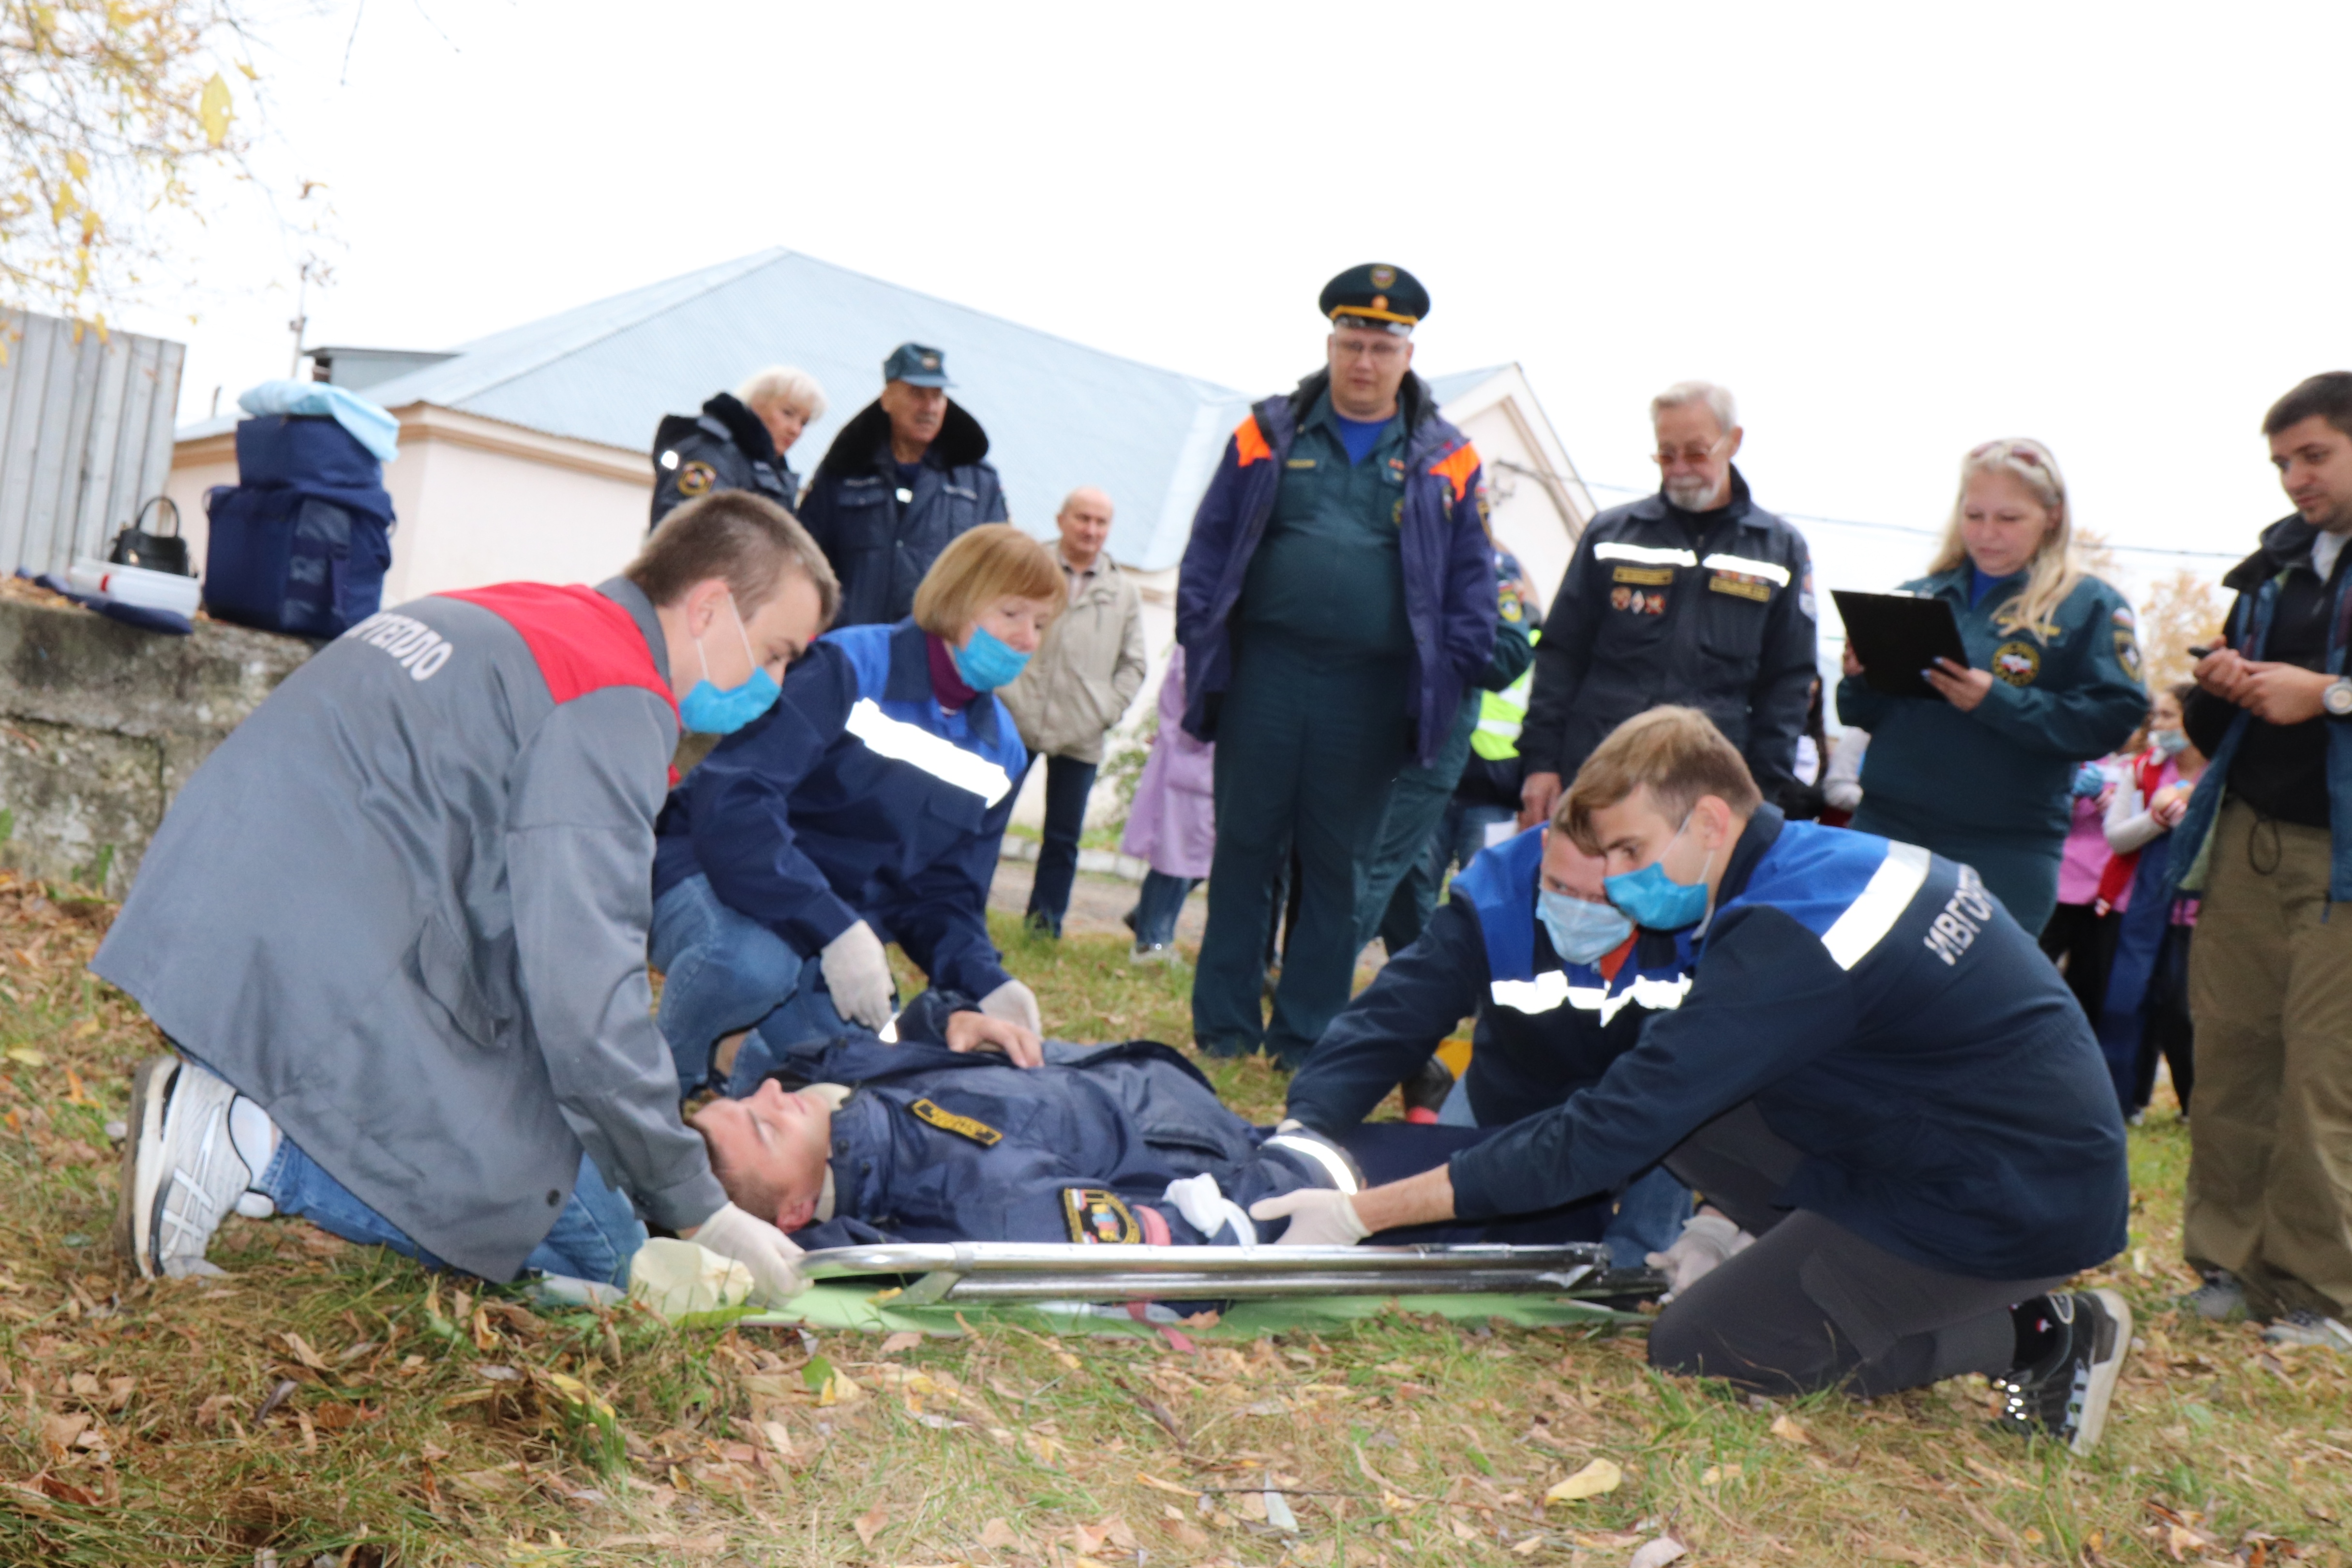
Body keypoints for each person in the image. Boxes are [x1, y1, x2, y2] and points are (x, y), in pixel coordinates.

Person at [1252, 708, 2134, 1452]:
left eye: (1633, 850)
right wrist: (1721, 1222)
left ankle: (2039, 1330)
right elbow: (1714, 1091)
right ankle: (1799, 1251)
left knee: (1707, 1343)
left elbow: (1607, 1132)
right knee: (1692, 1112)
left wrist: (1363, 1214)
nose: (1624, 885)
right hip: (1966, 1140)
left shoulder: (1786, 937)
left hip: (2008, 1198)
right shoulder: (1813, 869)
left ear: (1710, 822)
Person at [102, 493, 838, 1304]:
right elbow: (588, 1004)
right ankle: (251, 1145)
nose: (773, 686)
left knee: (532, 1114)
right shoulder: (613, 696)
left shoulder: (533, 615)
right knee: (594, 1251)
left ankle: (233, 1119)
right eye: (775, 652)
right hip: (315, 952)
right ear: (708, 608)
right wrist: (698, 1209)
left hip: (219, 920)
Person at [1175, 263, 1497, 1065]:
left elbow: (1471, 587)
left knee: (1339, 867)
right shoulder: (1267, 431)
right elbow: (1210, 547)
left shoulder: (1448, 457)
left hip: (1372, 696)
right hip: (1266, 678)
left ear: (1406, 354)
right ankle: (1222, 1026)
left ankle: (1305, 1034)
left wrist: (1450, 683)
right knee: (1244, 849)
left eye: (1381, 347)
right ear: (1331, 343)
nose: (1364, 361)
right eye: (1352, 343)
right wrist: (1198, 637)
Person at [690, 989, 1609, 1250]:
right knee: (1544, 1181)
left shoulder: (833, 1095)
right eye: (765, 1128)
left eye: (747, 1099)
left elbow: (875, 1044)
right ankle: (1619, 1200)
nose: (772, 1097)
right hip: (1270, 1176)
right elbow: (1139, 1244)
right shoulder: (951, 1179)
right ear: (797, 1210)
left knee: (1543, 1151)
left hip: (1193, 1108)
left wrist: (949, 1021)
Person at [649, 524, 1060, 1100]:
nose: (1026, 640)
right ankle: (659, 1091)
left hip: (830, 931)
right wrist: (832, 925)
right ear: (958, 597)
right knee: (750, 966)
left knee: (853, 1070)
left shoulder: (1002, 751)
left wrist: (988, 981)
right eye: (1012, 614)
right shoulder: (852, 665)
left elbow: (946, 895)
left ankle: (734, 1116)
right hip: (709, 871)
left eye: (1041, 625)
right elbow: (737, 801)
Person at [1284, 821, 1694, 1270]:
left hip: (1644, 1115)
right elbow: (1395, 1014)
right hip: (1506, 1093)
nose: (1578, 912)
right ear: (1544, 844)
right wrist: (1306, 1126)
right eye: (1558, 887)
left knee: (1676, 1123)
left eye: (1601, 899)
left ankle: (1637, 1270)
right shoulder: (1492, 898)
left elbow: (1699, 1076)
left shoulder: (1691, 913)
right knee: (1446, 1220)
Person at [2168, 372, 2352, 1348]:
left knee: (2327, 1079)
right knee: (2232, 1056)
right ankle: (2228, 1269)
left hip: (2345, 860)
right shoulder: (2274, 565)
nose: (2294, 478)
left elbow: (2323, 695)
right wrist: (2224, 681)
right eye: (2282, 462)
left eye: (2313, 455)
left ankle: (2323, 1296)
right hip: (2247, 835)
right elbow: (2214, 719)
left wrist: (2324, 695)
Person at [1836, 438, 2146, 937]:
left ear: (2051, 515)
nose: (1987, 534)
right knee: (1862, 995)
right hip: (1888, 831)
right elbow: (1862, 715)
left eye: (2008, 518)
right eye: (1974, 514)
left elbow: (2113, 718)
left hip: (2004, 851)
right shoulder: (1920, 594)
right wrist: (1859, 676)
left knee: (1969, 1008)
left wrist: (1996, 702)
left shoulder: (2086, 605)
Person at [1516, 382, 1816, 828]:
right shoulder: (1610, 535)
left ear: (1733, 442)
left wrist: (1761, 793)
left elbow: (1787, 682)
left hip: (1705, 783)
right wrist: (1540, 763)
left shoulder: (1778, 549)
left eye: (1695, 453)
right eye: (1665, 454)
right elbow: (1561, 654)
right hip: (1598, 765)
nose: (1679, 469)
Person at [1353, 551, 1537, 958]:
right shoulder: (1394, 540)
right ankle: (1418, 978)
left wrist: (1436, 632)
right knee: (1405, 877)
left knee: (1384, 869)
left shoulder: (1489, 563)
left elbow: (1508, 657)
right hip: (1383, 737)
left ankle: (1319, 992)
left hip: (1471, 778)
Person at [1001, 488, 1149, 937]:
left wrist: (1105, 710)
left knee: (1062, 840)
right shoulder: (1028, 567)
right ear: (1061, 519)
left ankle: (1044, 928)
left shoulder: (1123, 591)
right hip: (1014, 720)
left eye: (1101, 523)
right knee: (984, 821)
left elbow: (1135, 663)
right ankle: (959, 908)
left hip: (1082, 734)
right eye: (1083, 518)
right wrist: (1003, 692)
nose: (1091, 530)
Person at [798, 343, 1008, 627]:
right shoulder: (845, 470)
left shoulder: (978, 483)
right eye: (916, 394)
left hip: (934, 653)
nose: (930, 408)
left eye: (938, 396)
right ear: (887, 399)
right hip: (850, 653)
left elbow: (998, 573)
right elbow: (803, 561)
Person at [2095, 684, 2204, 1119]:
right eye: (2155, 716)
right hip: (2135, 906)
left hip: (2196, 914)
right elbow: (2117, 837)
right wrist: (2159, 817)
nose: (2157, 726)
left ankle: (2195, 1105)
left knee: (2181, 1010)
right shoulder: (2140, 771)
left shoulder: (2226, 774)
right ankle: (2124, 1100)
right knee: (2125, 1000)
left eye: (2167, 716)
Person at [1120, 647, 1214, 964]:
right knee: (1174, 857)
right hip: (1189, 758)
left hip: (1202, 763)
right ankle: (1153, 942)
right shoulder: (1198, 647)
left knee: (1193, 858)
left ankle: (1145, 919)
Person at [649, 366, 826, 530]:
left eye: (804, 423)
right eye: (788, 413)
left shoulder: (771, 472)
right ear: (757, 403)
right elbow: (689, 535)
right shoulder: (711, 453)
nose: (796, 430)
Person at [2039, 758, 2125, 1022]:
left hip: (2103, 896)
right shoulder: (2061, 760)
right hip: (2058, 887)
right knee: (2036, 969)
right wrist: (2070, 797)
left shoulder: (2131, 768)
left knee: (2089, 986)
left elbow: (2130, 825)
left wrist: (2105, 800)